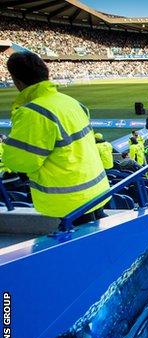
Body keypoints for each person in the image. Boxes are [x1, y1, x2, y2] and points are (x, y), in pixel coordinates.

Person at [2, 52, 109, 225]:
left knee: (81, 246)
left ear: (17, 81)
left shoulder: (33, 113)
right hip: (96, 189)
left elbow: (20, 162)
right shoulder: (70, 101)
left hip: (68, 199)